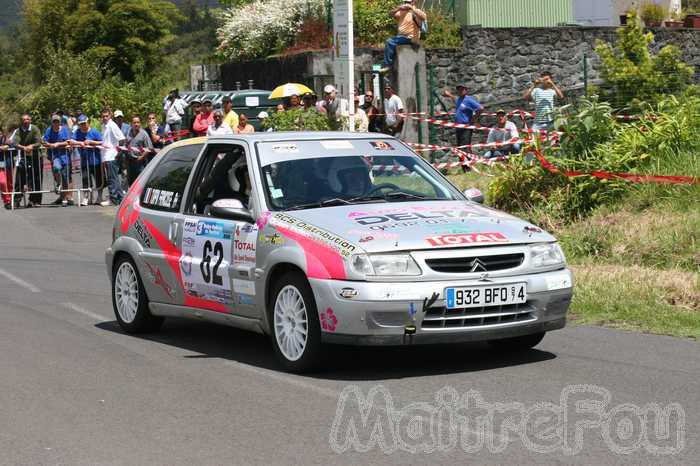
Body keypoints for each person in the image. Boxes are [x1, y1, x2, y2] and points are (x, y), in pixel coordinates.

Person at [380, 0, 426, 74]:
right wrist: (398, 8)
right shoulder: (402, 12)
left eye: (408, 2)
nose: (406, 4)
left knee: (390, 41)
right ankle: (391, 65)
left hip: (411, 38)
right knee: (391, 43)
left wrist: (412, 8)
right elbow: (390, 14)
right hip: (401, 37)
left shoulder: (416, 12)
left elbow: (423, 17)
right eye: (405, 2)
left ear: (413, 3)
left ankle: (388, 65)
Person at [11, 114, 43, 207]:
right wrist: (24, 148)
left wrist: (31, 146)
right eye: (24, 119)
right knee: (20, 179)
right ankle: (16, 200)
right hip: (23, 157)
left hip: (36, 156)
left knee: (36, 179)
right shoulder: (18, 131)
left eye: (27, 119)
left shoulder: (35, 129)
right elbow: (15, 142)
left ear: (30, 120)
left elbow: (39, 141)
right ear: (21, 121)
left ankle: (35, 200)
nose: (26, 121)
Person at [71, 115, 103, 206]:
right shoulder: (77, 132)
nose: (83, 125)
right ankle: (86, 197)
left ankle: (99, 197)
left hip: (96, 160)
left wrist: (91, 142)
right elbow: (71, 141)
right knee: (85, 179)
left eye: (84, 123)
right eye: (81, 124)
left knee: (98, 180)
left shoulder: (94, 132)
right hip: (85, 161)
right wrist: (80, 142)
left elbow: (102, 141)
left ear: (88, 123)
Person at [42, 114, 74, 206]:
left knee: (66, 176)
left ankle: (66, 198)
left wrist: (57, 144)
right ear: (52, 122)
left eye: (57, 121)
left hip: (65, 156)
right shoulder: (49, 130)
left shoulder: (65, 129)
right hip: (55, 156)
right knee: (56, 170)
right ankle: (60, 187)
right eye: (54, 121)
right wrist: (49, 144)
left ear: (60, 122)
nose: (56, 123)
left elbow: (69, 141)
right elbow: (44, 141)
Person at [99, 109, 126, 206]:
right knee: (113, 178)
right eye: (103, 116)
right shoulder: (103, 126)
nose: (105, 118)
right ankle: (120, 198)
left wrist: (117, 152)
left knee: (112, 179)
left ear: (110, 116)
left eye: (106, 116)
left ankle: (113, 198)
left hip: (111, 155)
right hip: (106, 155)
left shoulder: (112, 125)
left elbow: (122, 138)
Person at [442, 83, 483, 148]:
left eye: (462, 89)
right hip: (458, 127)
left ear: (466, 90)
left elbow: (480, 108)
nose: (460, 91)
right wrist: (448, 94)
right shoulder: (459, 99)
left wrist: (474, 118)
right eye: (459, 89)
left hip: (466, 127)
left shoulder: (468, 100)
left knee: (464, 147)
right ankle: (464, 158)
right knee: (460, 148)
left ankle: (467, 158)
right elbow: (454, 98)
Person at [125, 116, 154, 185]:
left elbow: (149, 148)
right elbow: (126, 145)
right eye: (134, 122)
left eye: (138, 122)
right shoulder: (128, 133)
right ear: (131, 124)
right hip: (130, 162)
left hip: (140, 162)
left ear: (140, 123)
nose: (136, 124)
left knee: (140, 183)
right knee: (131, 183)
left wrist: (141, 157)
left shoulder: (144, 134)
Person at [0, 128, 14, 209]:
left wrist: (7, 146)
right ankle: (7, 200)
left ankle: (10, 201)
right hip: (0, 167)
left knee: (9, 184)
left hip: (8, 164)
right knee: (2, 182)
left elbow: (13, 145)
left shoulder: (7, 139)